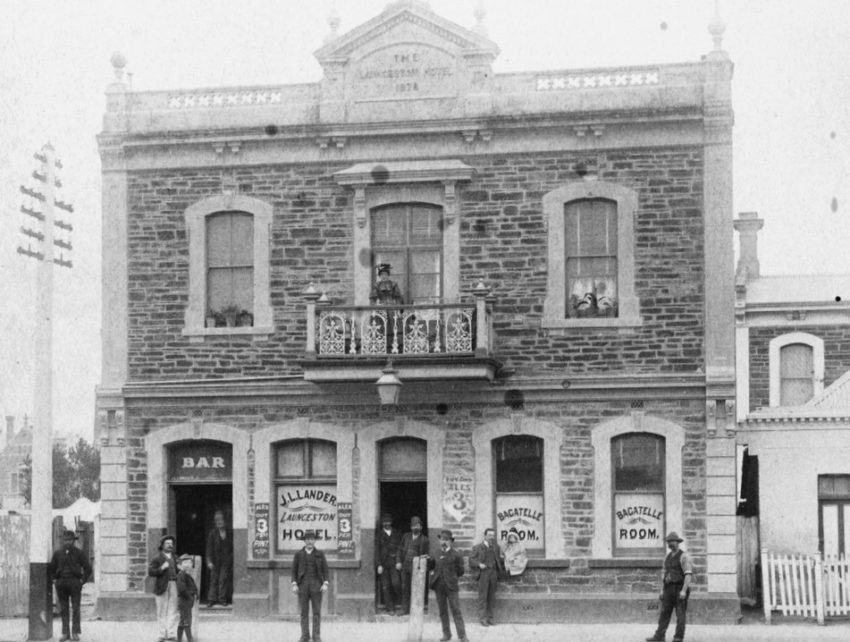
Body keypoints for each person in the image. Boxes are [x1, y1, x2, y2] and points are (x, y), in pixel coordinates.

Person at [646, 531, 694, 642]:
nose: (670, 544)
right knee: (664, 613)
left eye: (672, 541)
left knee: (680, 615)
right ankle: (659, 636)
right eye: (668, 542)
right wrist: (662, 590)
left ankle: (678, 638)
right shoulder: (667, 557)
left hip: (679, 588)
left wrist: (683, 591)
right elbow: (665, 574)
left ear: (677, 542)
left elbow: (688, 575)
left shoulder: (684, 556)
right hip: (668, 589)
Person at [48, 529, 92, 642]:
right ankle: (65, 633)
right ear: (63, 541)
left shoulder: (79, 553)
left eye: (70, 540)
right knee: (64, 609)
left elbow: (88, 568)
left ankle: (75, 633)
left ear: (74, 541)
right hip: (61, 583)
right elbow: (51, 569)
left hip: (75, 583)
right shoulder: (57, 553)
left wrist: (82, 580)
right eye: (66, 540)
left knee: (76, 608)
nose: (68, 542)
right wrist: (54, 580)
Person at [427, 529, 468, 642]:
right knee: (442, 611)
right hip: (439, 586)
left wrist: (451, 577)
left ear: (451, 541)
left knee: (456, 610)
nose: (444, 542)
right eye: (442, 539)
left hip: (451, 587)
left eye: (446, 540)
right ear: (439, 541)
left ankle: (462, 636)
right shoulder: (435, 553)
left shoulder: (456, 555)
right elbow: (430, 567)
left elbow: (461, 571)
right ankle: (446, 634)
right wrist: (430, 564)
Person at [291, 530, 329, 642]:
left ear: (315, 540)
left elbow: (325, 570)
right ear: (304, 541)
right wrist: (294, 584)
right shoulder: (298, 554)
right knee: (304, 612)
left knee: (316, 612)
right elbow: (293, 570)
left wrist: (325, 583)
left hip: (316, 584)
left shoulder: (320, 554)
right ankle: (305, 636)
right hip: (302, 585)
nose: (309, 542)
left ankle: (316, 636)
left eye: (312, 539)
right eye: (307, 539)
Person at [470, 527, 504, 626]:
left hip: (493, 573)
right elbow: (471, 560)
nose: (491, 537)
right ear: (485, 536)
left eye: (493, 535)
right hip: (483, 574)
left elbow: (499, 559)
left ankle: (490, 618)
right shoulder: (477, 547)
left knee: (491, 597)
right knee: (483, 597)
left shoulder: (496, 547)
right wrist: (479, 564)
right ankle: (483, 618)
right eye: (489, 535)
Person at [396, 515, 430, 615]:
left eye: (417, 525)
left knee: (416, 588)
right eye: (413, 525)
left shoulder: (424, 540)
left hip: (417, 567)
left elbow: (426, 555)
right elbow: (399, 549)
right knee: (405, 587)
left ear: (421, 527)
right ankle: (405, 609)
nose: (415, 527)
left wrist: (422, 560)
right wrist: (398, 561)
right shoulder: (406, 537)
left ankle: (416, 609)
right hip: (405, 566)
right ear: (411, 527)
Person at [149, 534, 180, 642]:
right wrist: (161, 568)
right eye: (167, 543)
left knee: (173, 610)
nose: (170, 545)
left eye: (171, 544)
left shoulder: (175, 558)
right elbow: (151, 572)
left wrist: (179, 569)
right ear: (162, 545)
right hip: (162, 586)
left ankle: (171, 633)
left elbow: (180, 570)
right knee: (161, 610)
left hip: (174, 585)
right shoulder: (157, 558)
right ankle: (162, 634)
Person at [205, 510, 233, 608]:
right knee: (214, 580)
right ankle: (211, 600)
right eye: (217, 520)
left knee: (223, 579)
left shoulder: (229, 532)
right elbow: (209, 549)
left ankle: (222, 599)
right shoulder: (212, 533)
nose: (219, 522)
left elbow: (232, 547)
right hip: (215, 561)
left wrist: (230, 559)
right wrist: (209, 561)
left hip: (225, 561)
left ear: (225, 521)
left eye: (221, 520)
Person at [376, 513, 403, 615]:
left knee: (396, 583)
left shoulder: (397, 533)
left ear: (391, 523)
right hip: (383, 564)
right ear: (382, 523)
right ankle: (390, 608)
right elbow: (377, 551)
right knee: (386, 586)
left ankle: (399, 604)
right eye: (384, 522)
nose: (387, 524)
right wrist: (378, 564)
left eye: (388, 522)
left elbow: (400, 548)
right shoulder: (379, 535)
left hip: (394, 562)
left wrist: (399, 561)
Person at [176, 554, 198, 642]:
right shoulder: (181, 575)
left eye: (189, 562)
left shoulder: (187, 575)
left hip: (186, 601)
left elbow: (192, 586)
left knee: (183, 620)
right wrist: (189, 597)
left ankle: (179, 639)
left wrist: (196, 593)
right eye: (185, 563)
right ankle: (189, 639)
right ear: (180, 565)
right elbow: (182, 589)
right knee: (186, 620)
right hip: (184, 601)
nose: (188, 565)